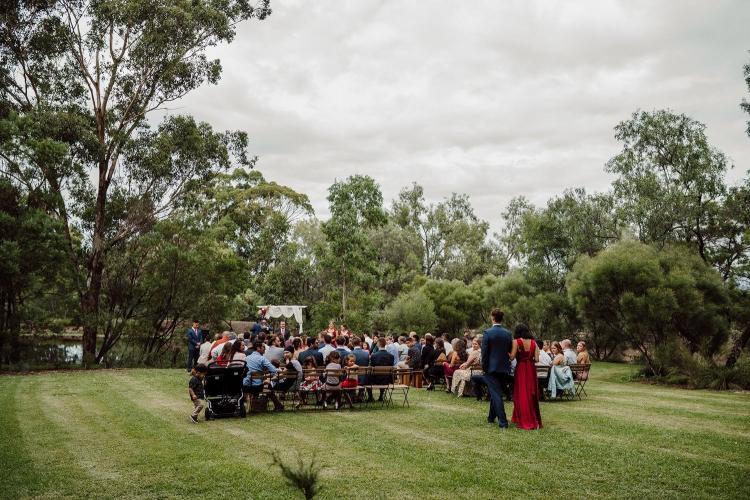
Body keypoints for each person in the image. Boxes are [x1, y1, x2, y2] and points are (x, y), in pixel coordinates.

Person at [481, 308, 513, 429]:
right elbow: (509, 351)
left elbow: (484, 353)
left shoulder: (488, 333)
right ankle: (491, 417)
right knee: (496, 392)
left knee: (496, 394)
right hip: (504, 368)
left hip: (491, 368)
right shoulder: (508, 333)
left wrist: (484, 367)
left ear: (492, 317)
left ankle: (503, 422)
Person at [509, 324, 542, 430]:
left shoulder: (516, 342)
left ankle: (525, 419)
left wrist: (505, 352)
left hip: (521, 368)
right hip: (531, 369)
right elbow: (537, 359)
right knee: (531, 393)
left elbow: (512, 357)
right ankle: (532, 418)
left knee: (521, 393)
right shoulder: (534, 343)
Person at [243, 342, 284, 411]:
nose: (265, 349)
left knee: (266, 384)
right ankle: (278, 405)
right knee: (268, 386)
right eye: (263, 347)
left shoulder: (246, 358)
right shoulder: (262, 359)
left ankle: (277, 405)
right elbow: (274, 370)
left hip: (245, 385)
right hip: (256, 387)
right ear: (258, 348)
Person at [368, 337, 394, 402]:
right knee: (382, 375)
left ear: (378, 344)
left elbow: (371, 367)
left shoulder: (374, 356)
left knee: (366, 378)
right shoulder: (391, 356)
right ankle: (381, 396)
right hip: (387, 379)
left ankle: (370, 397)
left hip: (375, 379)